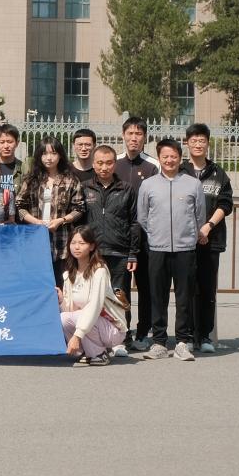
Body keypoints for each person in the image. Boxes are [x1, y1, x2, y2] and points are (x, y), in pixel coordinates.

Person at [138, 139, 206, 362]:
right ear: (159, 158)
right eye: (165, 156)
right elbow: (143, 217)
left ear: (180, 157)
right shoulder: (148, 185)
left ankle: (182, 342)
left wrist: (189, 235)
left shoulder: (193, 184)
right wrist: (155, 234)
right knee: (158, 297)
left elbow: (199, 216)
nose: (169, 160)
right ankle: (159, 342)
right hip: (157, 249)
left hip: (185, 249)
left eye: (173, 156)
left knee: (184, 297)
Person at [82, 143, 139, 357]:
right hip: (93, 252)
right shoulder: (85, 187)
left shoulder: (126, 189)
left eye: (108, 163)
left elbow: (134, 222)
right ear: (93, 164)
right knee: (91, 296)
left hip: (119, 251)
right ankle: (94, 337)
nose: (104, 167)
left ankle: (121, 338)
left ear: (115, 164)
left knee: (119, 295)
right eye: (99, 163)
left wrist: (133, 252)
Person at [181, 123, 234, 354]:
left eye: (202, 140)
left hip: (211, 240)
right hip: (184, 241)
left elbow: (226, 203)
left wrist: (208, 227)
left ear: (207, 144)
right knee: (186, 289)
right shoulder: (180, 171)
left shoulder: (218, 173)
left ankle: (205, 336)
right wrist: (194, 230)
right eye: (193, 140)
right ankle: (187, 335)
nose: (198, 144)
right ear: (187, 143)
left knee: (207, 289)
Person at [114, 117, 159, 351]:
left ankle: (143, 332)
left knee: (146, 287)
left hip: (146, 237)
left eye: (138, 134)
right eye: (130, 133)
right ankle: (123, 332)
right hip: (120, 237)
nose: (134, 138)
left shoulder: (153, 165)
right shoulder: (114, 163)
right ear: (123, 135)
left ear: (145, 137)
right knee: (120, 288)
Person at [18, 136, 86, 285]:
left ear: (60, 155)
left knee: (61, 283)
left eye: (53, 153)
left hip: (62, 241)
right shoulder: (31, 179)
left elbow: (79, 208)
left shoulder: (70, 180)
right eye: (44, 153)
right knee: (38, 284)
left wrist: (61, 220)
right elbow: (20, 207)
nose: (49, 158)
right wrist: (36, 222)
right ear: (39, 156)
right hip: (35, 240)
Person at [58, 226, 128, 366]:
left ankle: (99, 354)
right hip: (91, 324)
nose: (76, 247)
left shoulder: (99, 270)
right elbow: (71, 312)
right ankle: (86, 352)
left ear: (91, 246)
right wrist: (61, 300)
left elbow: (94, 306)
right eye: (73, 243)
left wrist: (77, 335)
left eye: (82, 243)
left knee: (84, 314)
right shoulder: (69, 273)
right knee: (63, 318)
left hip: (112, 330)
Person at [0, 123, 25, 194]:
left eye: (10, 142)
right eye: (2, 142)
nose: (6, 146)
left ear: (17, 143)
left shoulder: (23, 169)